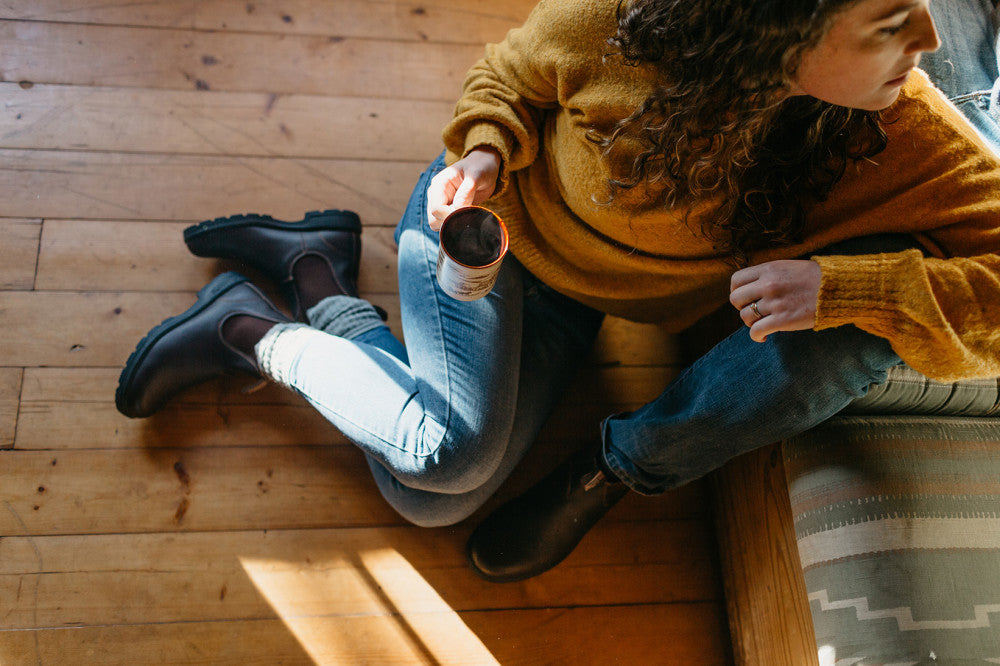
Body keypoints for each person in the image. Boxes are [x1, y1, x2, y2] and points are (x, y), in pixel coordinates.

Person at [116, 0, 1000, 584]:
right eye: (890, 23)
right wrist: (484, 150)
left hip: (586, 306)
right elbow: (509, 77)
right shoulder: (618, 20)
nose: (927, 39)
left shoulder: (905, 131)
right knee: (444, 462)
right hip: (498, 236)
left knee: (429, 498)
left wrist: (854, 286)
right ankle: (246, 330)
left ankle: (315, 272)